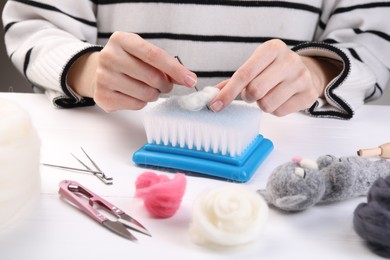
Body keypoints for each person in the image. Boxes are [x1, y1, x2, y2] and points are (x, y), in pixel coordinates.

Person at [2, 1, 390, 119]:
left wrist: (317, 70)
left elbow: (375, 41)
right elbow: (33, 24)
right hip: (107, 141)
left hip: (294, 148)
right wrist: (88, 69)